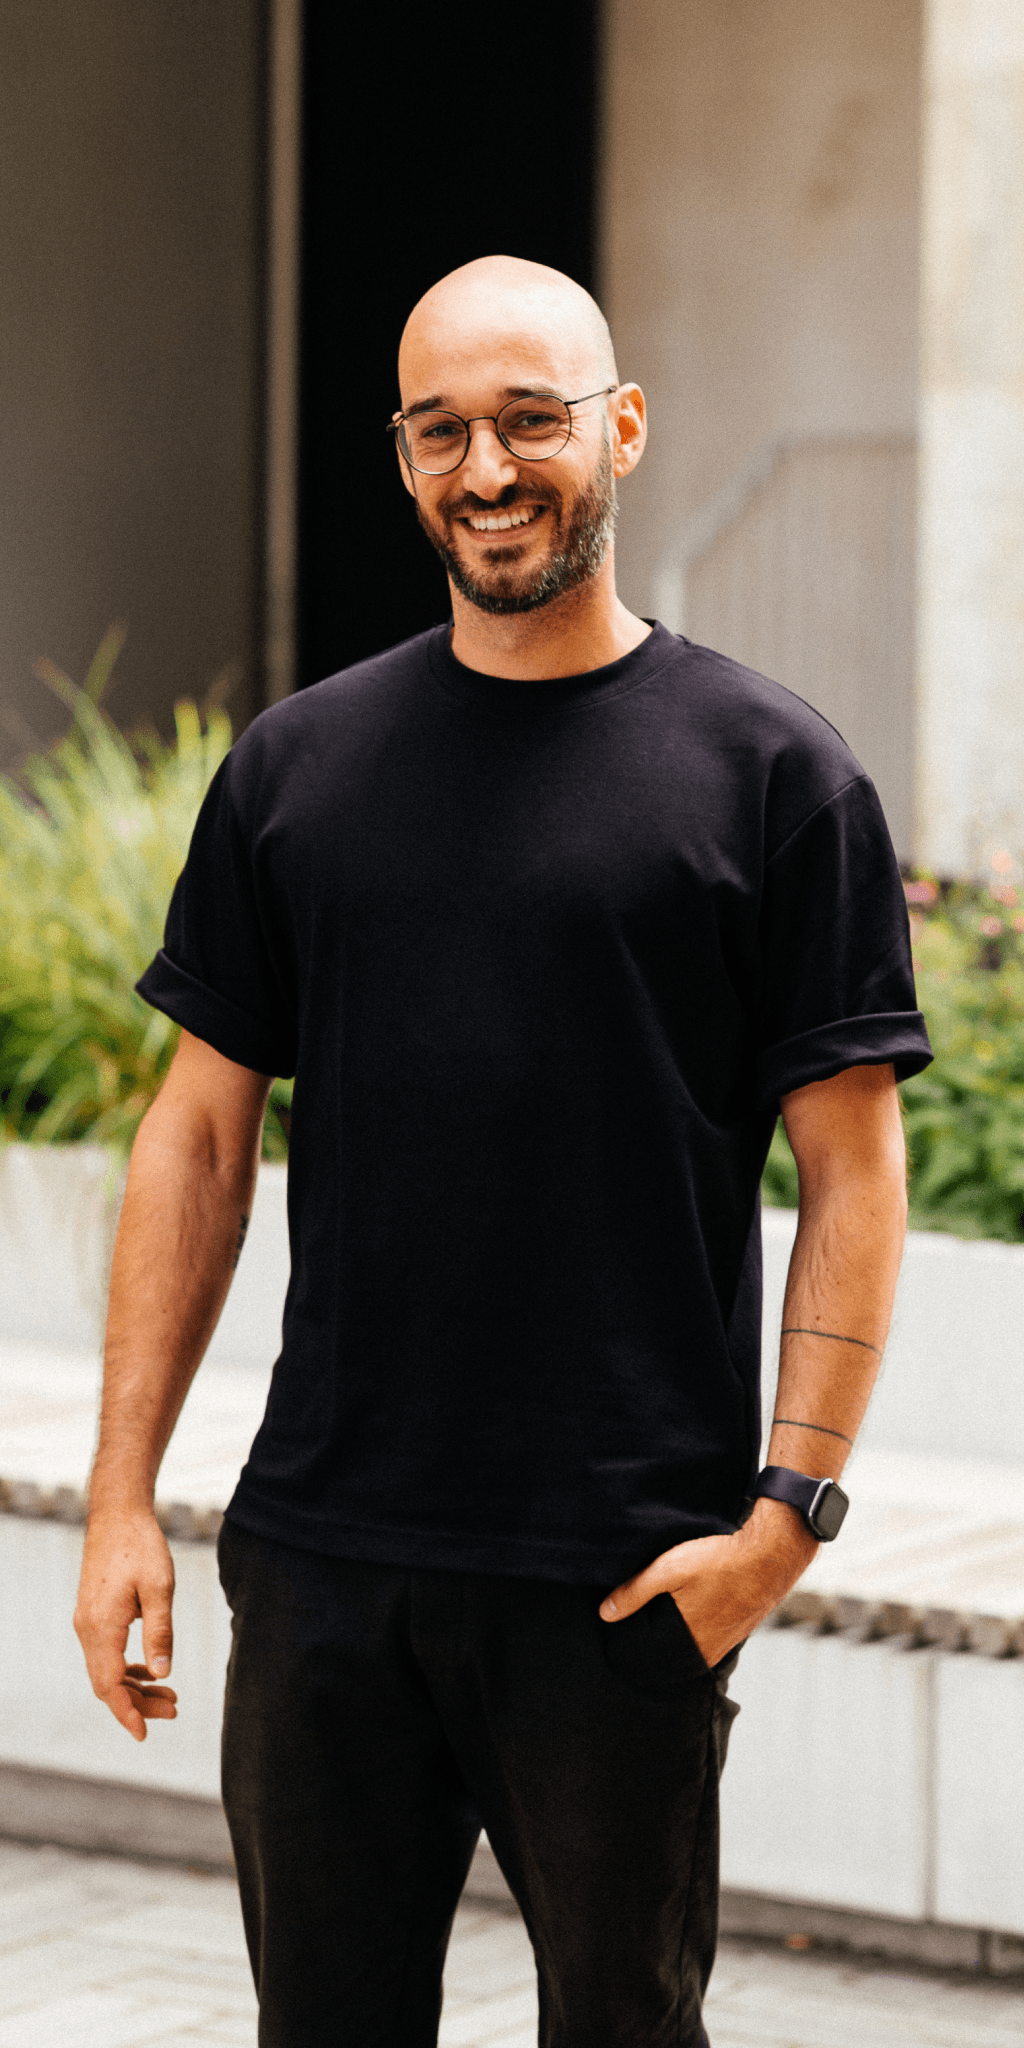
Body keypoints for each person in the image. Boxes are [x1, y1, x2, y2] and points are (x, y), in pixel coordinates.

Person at [75, 255, 932, 2047]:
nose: (488, 470)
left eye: (532, 420)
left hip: (624, 1573)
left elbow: (854, 1176)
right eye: (441, 430)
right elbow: (199, 1141)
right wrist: (120, 1499)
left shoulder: (775, 776)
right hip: (324, 1561)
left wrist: (785, 1520)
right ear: (402, 456)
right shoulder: (298, 771)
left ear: (622, 427)